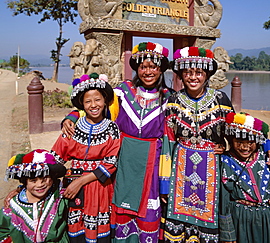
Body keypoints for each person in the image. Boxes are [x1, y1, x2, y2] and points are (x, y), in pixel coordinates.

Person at [159, 46, 270, 243]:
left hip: (212, 170)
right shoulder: (174, 101)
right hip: (180, 172)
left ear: (206, 75)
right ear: (181, 74)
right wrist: (164, 182)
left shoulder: (220, 100)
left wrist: (267, 143)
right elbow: (167, 141)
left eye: (199, 72)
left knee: (209, 223)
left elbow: (241, 126)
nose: (193, 77)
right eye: (188, 72)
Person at [62, 41, 172, 243]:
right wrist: (72, 116)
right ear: (137, 69)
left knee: (148, 209)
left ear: (161, 69)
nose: (148, 71)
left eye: (153, 66)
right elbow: (95, 104)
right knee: (121, 207)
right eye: (143, 66)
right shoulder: (122, 91)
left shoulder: (168, 98)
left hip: (151, 164)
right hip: (123, 161)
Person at [51, 72, 120, 243]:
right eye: (88, 101)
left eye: (97, 100)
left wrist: (80, 181)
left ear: (105, 101)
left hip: (100, 188)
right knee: (77, 232)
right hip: (74, 190)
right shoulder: (71, 129)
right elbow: (54, 159)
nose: (93, 105)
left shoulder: (112, 128)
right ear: (81, 104)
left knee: (100, 234)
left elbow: (110, 164)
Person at [219, 112, 270, 243]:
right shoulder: (225, 163)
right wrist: (227, 233)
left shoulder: (264, 156)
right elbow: (223, 200)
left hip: (267, 217)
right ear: (231, 140)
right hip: (241, 219)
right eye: (239, 142)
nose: (245, 147)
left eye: (250, 142)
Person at [0, 148, 68, 243]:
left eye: (44, 179)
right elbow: (3, 231)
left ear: (53, 178)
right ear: (24, 182)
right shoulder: (12, 208)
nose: (40, 184)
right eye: (33, 181)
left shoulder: (60, 199)